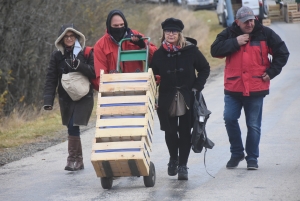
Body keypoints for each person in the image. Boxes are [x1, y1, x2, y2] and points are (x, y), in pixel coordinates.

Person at [211, 6, 289, 170]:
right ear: (237, 22)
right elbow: (214, 51)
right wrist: (235, 42)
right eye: (246, 21)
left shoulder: (265, 34)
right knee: (229, 119)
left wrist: (272, 71)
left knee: (253, 125)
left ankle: (252, 157)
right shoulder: (229, 33)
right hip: (233, 87)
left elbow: (283, 53)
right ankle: (237, 153)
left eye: (252, 20)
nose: (250, 24)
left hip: (255, 87)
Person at [150, 18, 210, 180]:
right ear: (164, 33)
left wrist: (197, 87)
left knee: (185, 132)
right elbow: (152, 77)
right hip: (166, 98)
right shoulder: (158, 54)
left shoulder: (191, 51)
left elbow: (205, 68)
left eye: (174, 31)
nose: (171, 34)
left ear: (179, 33)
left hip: (187, 97)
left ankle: (183, 165)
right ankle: (173, 159)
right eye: (168, 31)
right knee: (170, 132)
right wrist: (153, 98)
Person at [43, 24, 96, 171]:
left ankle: (73, 159)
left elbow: (94, 72)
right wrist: (48, 100)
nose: (69, 38)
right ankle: (77, 161)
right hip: (66, 97)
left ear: (77, 37)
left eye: (72, 35)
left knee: (73, 125)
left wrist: (79, 65)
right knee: (71, 126)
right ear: (61, 39)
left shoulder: (86, 52)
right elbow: (51, 78)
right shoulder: (56, 55)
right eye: (66, 36)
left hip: (84, 96)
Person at [93, 9, 157, 90]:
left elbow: (156, 57)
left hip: (138, 86)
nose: (119, 28)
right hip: (114, 88)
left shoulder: (135, 36)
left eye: (121, 25)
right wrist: (110, 80)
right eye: (115, 26)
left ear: (125, 24)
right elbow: (100, 75)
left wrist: (143, 46)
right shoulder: (100, 45)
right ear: (109, 26)